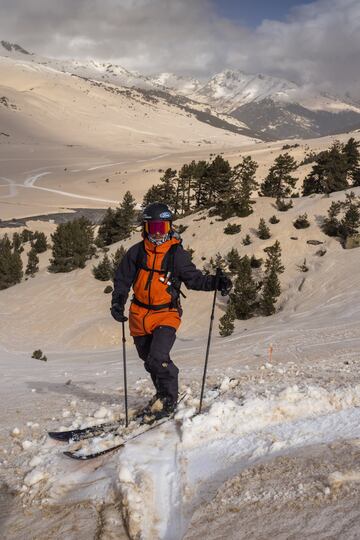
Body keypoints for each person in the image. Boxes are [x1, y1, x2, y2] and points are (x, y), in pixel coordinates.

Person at [110, 202, 232, 419]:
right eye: (154, 228)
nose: (158, 234)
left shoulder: (176, 254)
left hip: (166, 313)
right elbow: (122, 279)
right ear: (145, 228)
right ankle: (161, 393)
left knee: (158, 357)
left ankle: (168, 399)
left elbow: (194, 280)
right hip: (139, 315)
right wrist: (118, 302)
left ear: (170, 227)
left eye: (163, 228)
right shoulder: (137, 252)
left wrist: (216, 282)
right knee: (149, 361)